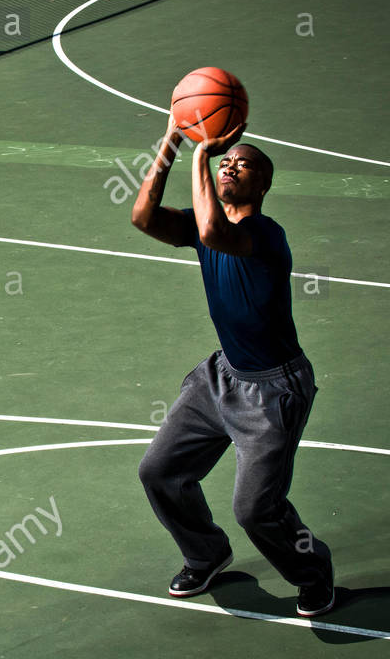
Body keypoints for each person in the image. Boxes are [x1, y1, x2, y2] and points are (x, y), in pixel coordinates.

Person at [129, 114, 335, 617]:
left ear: (263, 185)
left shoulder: (264, 234)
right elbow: (142, 216)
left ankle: (314, 574)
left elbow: (215, 232)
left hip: (274, 391)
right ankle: (206, 552)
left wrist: (203, 153)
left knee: (256, 510)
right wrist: (173, 142)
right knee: (159, 471)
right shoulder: (204, 228)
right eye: (227, 161)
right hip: (220, 378)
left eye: (243, 164)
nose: (231, 166)